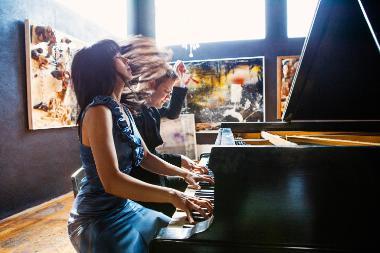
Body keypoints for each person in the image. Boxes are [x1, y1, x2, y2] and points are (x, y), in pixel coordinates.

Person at [67, 39, 213, 253]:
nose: (126, 60)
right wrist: (174, 195)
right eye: (118, 57)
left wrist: (184, 174)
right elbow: (111, 181)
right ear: (104, 67)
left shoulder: (122, 109)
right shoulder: (98, 111)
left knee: (177, 240)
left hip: (123, 207)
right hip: (97, 218)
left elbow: (145, 156)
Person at [119, 38, 208, 215]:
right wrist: (182, 164)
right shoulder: (132, 111)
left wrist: (181, 83)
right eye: (166, 92)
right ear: (152, 84)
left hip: (155, 178)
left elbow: (172, 112)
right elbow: (146, 157)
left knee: (203, 184)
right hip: (144, 186)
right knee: (192, 199)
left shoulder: (149, 108)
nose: (168, 96)